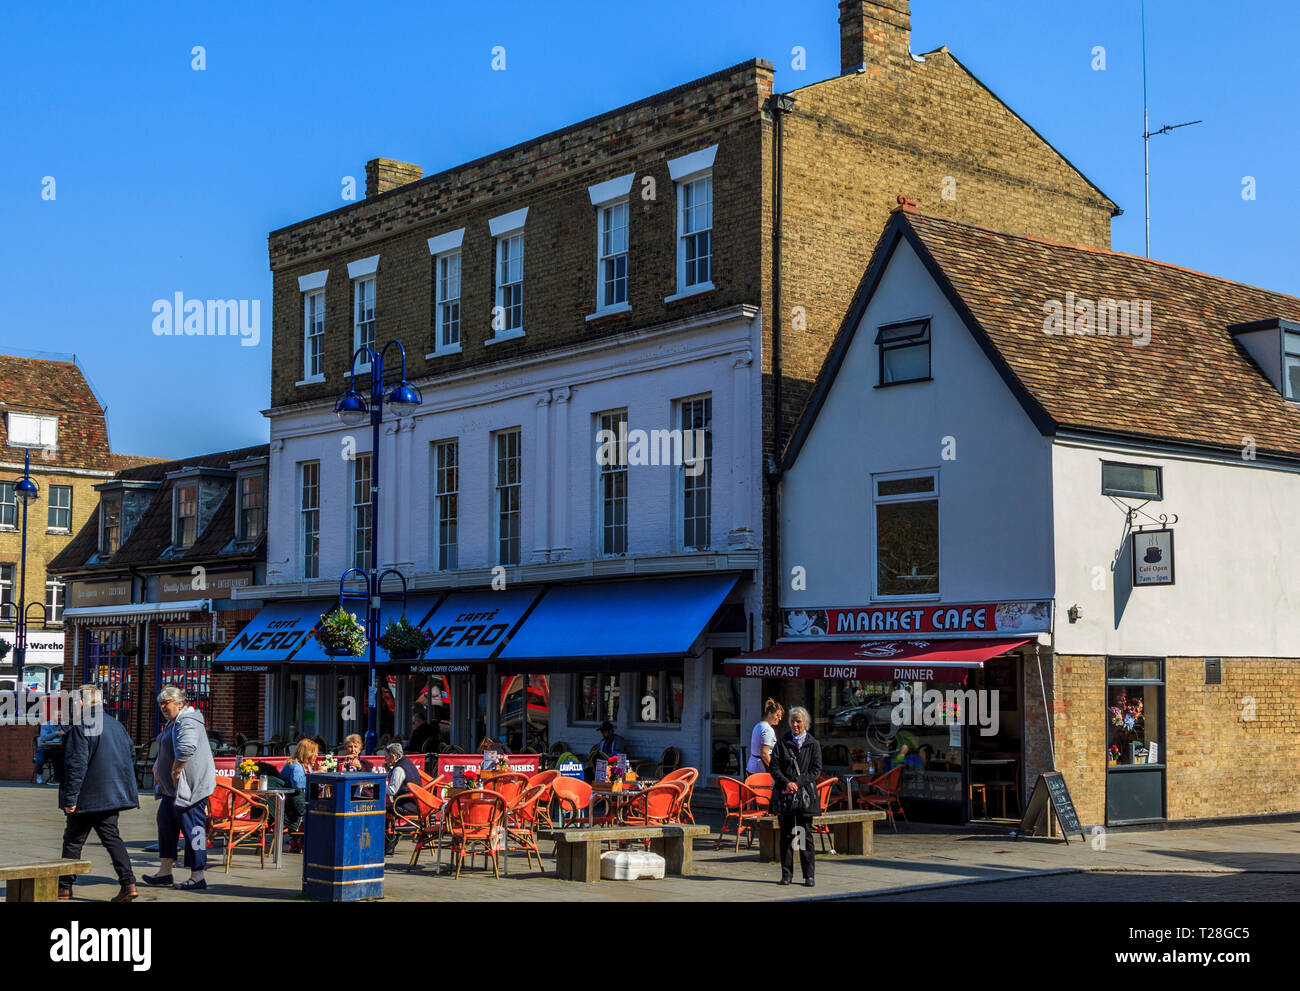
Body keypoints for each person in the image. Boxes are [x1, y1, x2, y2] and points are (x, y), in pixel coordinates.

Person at [58, 685, 139, 902]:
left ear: (83, 702)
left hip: (87, 796)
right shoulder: (116, 725)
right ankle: (129, 884)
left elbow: (76, 765)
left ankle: (64, 888)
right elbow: (130, 754)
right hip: (112, 795)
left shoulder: (81, 726)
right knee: (112, 839)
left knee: (73, 841)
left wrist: (70, 799)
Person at [143, 685, 216, 892]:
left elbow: (186, 748)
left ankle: (198, 875)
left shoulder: (188, 720)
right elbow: (166, 747)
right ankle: (165, 872)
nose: (162, 707)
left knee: (195, 830)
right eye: (160, 703)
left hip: (189, 790)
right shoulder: (173, 722)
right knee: (166, 826)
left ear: (179, 703)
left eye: (166, 703)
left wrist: (175, 771)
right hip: (171, 792)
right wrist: (158, 764)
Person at [768, 706, 823, 888]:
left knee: (805, 835)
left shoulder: (813, 744)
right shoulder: (782, 742)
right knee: (786, 836)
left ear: (805, 723)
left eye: (799, 721)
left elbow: (816, 770)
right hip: (785, 796)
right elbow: (774, 767)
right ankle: (786, 875)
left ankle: (809, 875)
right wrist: (787, 783)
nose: (795, 725)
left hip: (805, 796)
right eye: (793, 721)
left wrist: (798, 783)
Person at [382, 742, 421, 856]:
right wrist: (389, 771)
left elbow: (392, 790)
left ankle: (389, 842)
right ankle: (390, 840)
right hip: (415, 803)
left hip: (407, 806)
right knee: (387, 807)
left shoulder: (399, 769)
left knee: (381, 810)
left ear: (393, 757)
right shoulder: (406, 762)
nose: (385, 759)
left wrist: (378, 786)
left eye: (386, 756)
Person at [280, 738, 319, 853]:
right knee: (318, 808)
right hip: (290, 802)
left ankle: (304, 840)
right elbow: (298, 785)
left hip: (298, 799)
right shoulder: (295, 766)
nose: (316, 755)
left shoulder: (306, 766)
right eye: (314, 752)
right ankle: (301, 840)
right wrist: (316, 775)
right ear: (306, 753)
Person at [747, 698, 784, 776]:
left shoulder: (759, 725)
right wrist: (775, 770)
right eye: (777, 715)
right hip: (761, 770)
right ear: (770, 714)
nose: (780, 718)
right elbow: (764, 754)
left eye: (780, 716)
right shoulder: (768, 730)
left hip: (753, 766)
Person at [35, 719, 67, 784]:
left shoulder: (63, 725)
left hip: (56, 748)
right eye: (57, 716)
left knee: (60, 757)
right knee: (39, 760)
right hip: (45, 748)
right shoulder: (46, 725)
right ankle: (39, 774)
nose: (59, 718)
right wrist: (56, 733)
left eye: (60, 716)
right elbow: (43, 738)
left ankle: (57, 779)